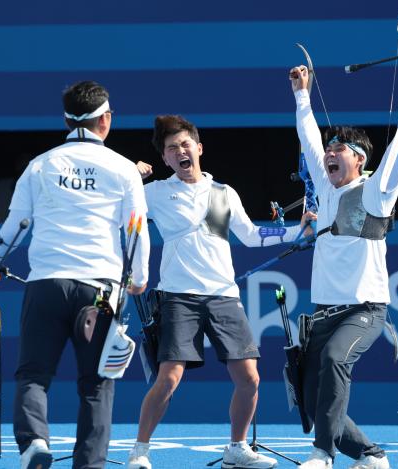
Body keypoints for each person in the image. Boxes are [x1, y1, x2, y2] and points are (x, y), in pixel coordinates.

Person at [126, 114, 315, 469]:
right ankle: (140, 450)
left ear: (198, 148)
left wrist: (296, 232)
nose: (180, 152)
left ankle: (237, 448)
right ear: (165, 159)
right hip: (178, 297)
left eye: (185, 145)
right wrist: (131, 175)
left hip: (224, 296)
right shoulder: (154, 193)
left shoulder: (222, 194)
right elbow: (114, 201)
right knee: (168, 378)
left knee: (250, 378)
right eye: (171, 149)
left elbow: (252, 235)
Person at [0, 80, 150, 469]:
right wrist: (138, 278)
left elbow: (18, 223)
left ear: (66, 119)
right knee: (97, 384)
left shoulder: (40, 164)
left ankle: (35, 443)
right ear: (106, 119)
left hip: (46, 286)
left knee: (34, 375)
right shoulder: (124, 169)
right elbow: (136, 231)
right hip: (100, 291)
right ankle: (89, 464)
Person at [288, 57, 398, 469]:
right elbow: (309, 138)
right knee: (312, 400)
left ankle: (323, 454)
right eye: (329, 149)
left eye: (340, 149)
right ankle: (371, 455)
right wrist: (301, 95)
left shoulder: (375, 192)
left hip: (365, 310)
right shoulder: (325, 186)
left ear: (361, 160)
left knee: (334, 360)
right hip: (323, 311)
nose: (329, 153)